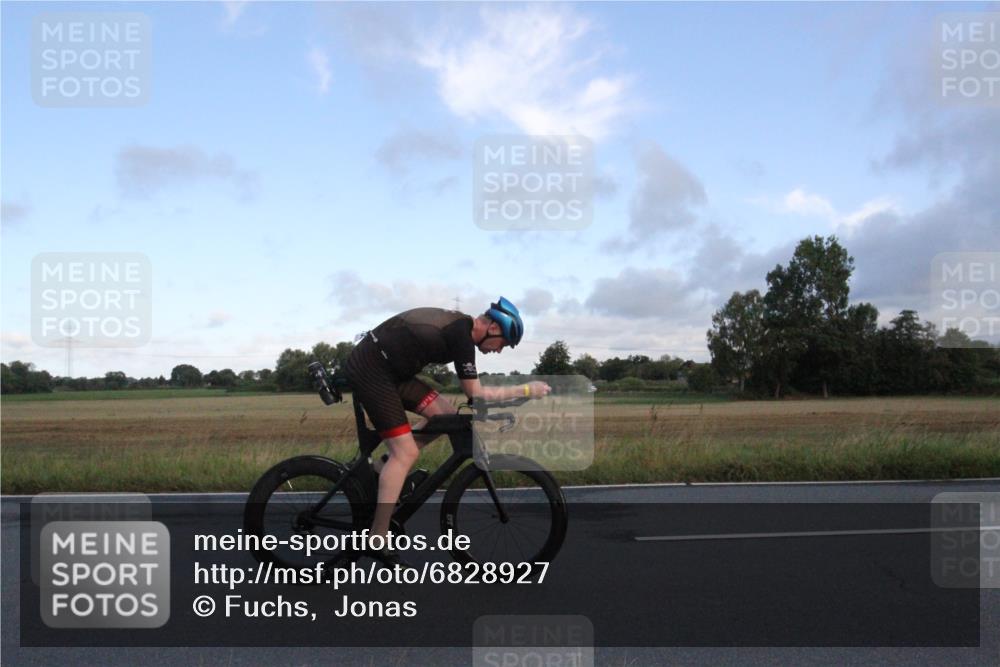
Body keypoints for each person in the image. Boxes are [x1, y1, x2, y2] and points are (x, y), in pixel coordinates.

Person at [344, 297, 550, 565]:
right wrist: (525, 390)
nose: (499, 351)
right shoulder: (460, 334)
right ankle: (377, 538)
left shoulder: (461, 330)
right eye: (504, 344)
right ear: (495, 329)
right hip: (372, 371)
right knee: (404, 453)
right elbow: (475, 394)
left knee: (446, 416)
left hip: (393, 372)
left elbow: (473, 399)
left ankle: (381, 470)